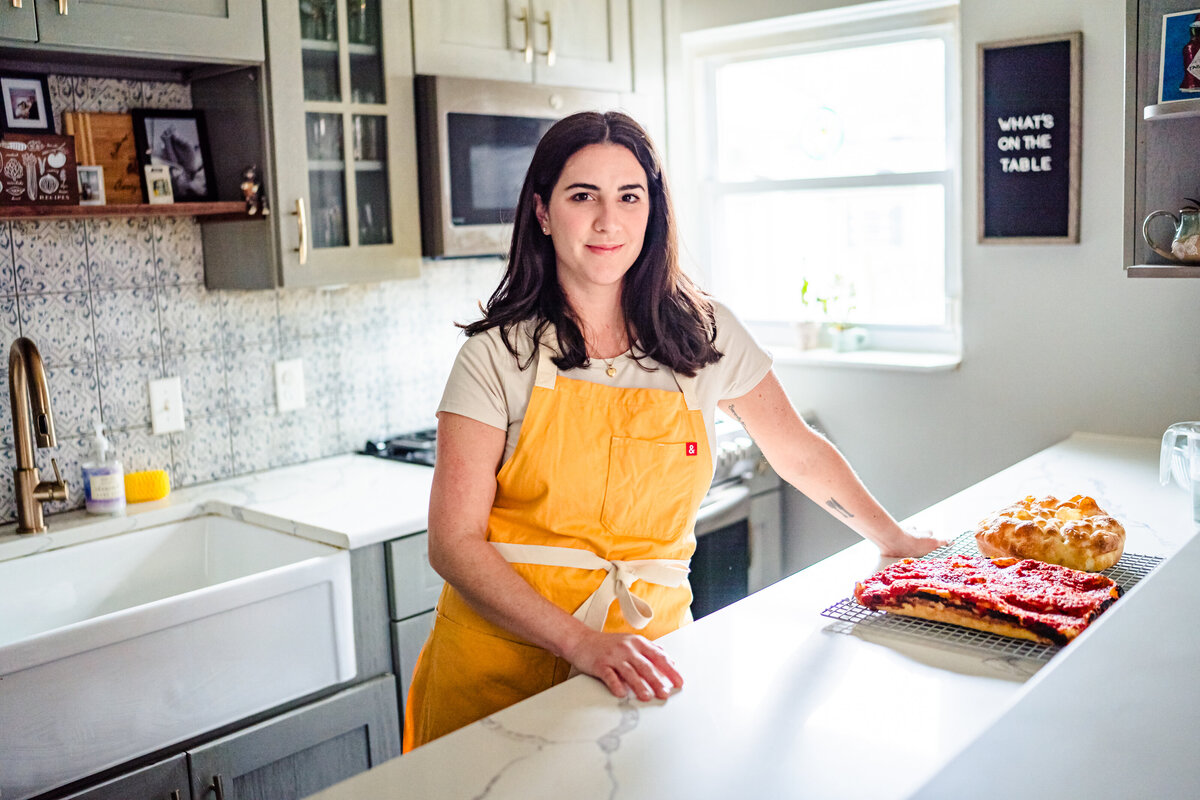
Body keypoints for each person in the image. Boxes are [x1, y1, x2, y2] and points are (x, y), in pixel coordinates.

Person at [403, 111, 944, 750]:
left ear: (652, 212)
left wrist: (894, 538)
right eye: (583, 197)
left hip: (645, 666)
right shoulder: (497, 355)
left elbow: (795, 451)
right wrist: (581, 643)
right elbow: (454, 543)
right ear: (544, 213)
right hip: (496, 676)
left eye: (629, 197)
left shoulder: (705, 335)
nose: (608, 221)